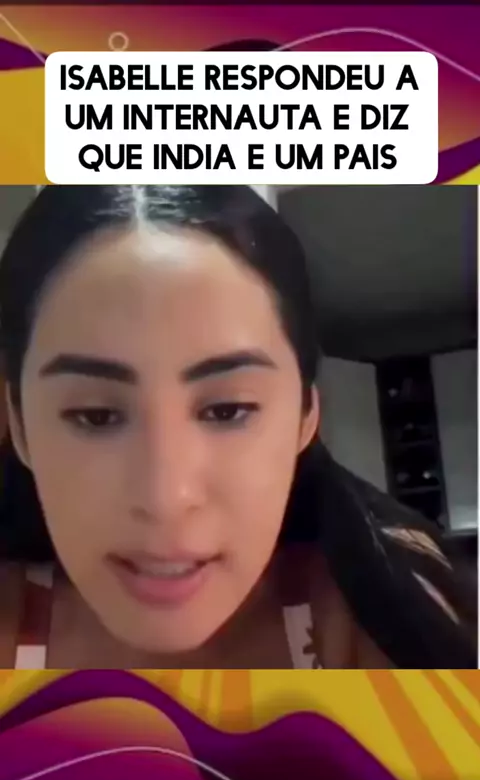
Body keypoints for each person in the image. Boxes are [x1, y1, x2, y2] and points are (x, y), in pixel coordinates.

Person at [0, 185, 476, 668]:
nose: (166, 498)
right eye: (96, 416)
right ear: (19, 426)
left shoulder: (390, 629)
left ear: (305, 416)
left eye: (227, 410)